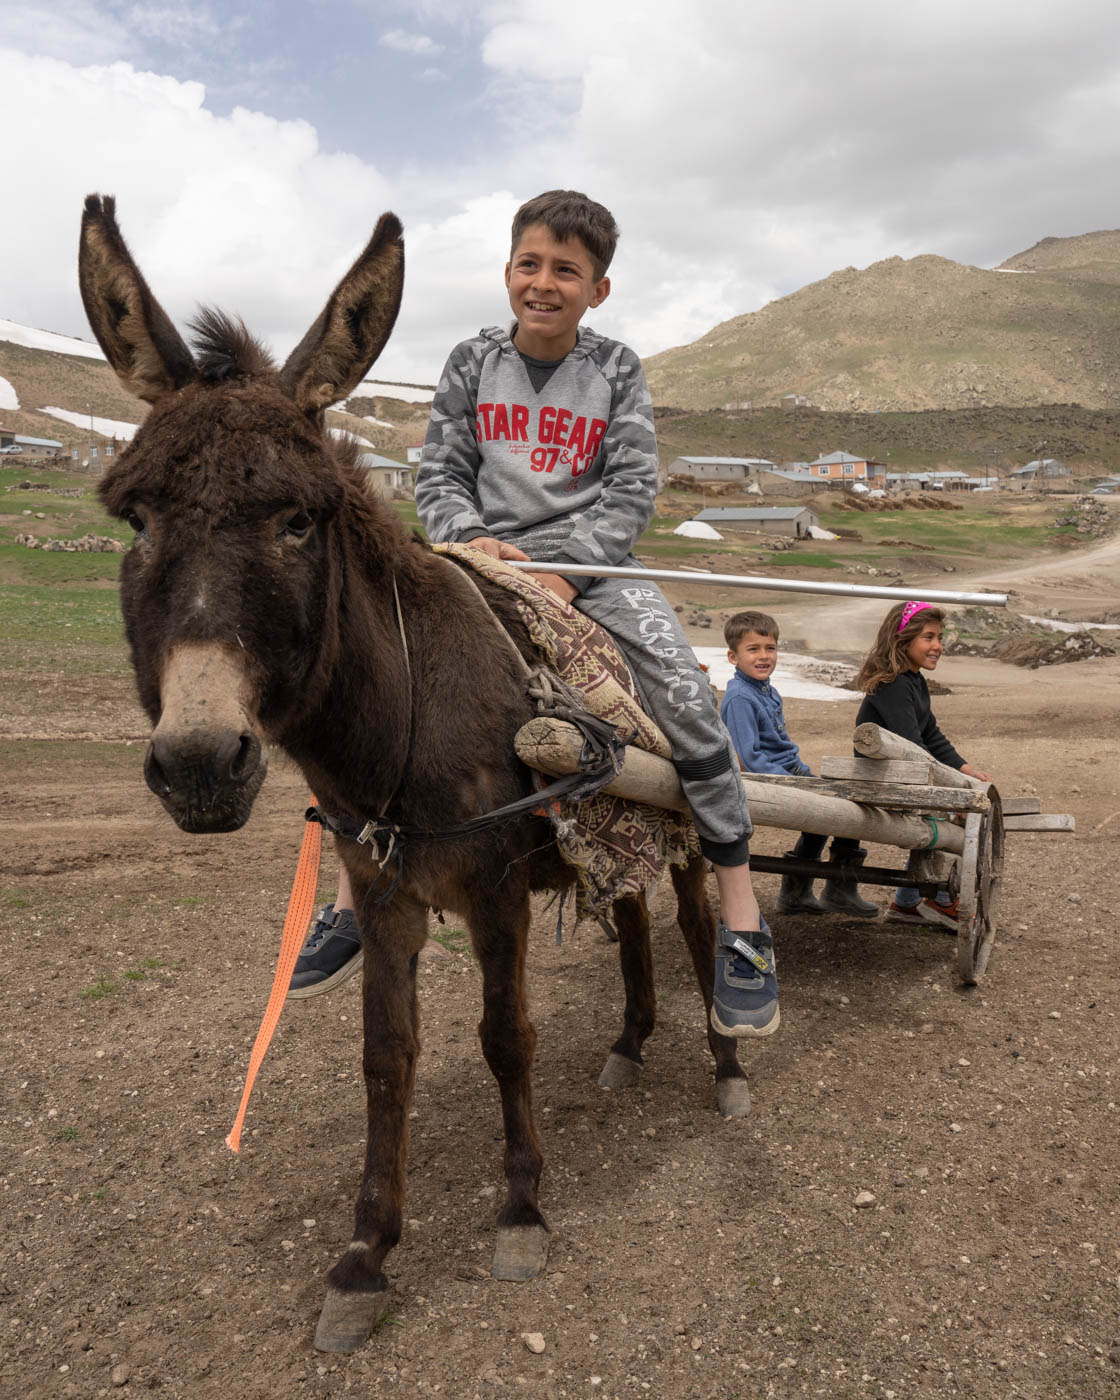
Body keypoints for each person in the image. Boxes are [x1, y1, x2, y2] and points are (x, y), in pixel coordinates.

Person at [289, 189, 776, 1040]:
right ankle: (348, 901)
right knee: (365, 678)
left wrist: (566, 572)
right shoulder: (471, 361)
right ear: (508, 269)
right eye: (530, 264)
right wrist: (474, 541)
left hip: (594, 570)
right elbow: (439, 474)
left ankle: (741, 917)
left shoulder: (616, 369)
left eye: (567, 270)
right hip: (475, 558)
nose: (544, 283)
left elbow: (630, 491)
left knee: (692, 706)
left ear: (598, 289)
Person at [720, 610, 878, 917]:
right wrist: (796, 782)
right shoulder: (739, 697)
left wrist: (803, 773)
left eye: (770, 648)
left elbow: (780, 747)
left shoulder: (767, 690)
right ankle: (820, 890)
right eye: (753, 649)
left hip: (790, 772)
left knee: (847, 803)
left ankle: (814, 892)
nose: (764, 656)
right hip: (769, 779)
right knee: (837, 811)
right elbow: (750, 758)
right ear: (732, 656)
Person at [854, 600, 992, 928]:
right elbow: (913, 746)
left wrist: (965, 770)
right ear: (903, 641)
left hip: (905, 772)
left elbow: (931, 735)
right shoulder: (893, 684)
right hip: (882, 778)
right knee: (954, 814)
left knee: (960, 802)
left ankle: (907, 902)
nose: (937, 646)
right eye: (928, 637)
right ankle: (940, 898)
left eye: (939, 638)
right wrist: (951, 792)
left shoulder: (913, 680)